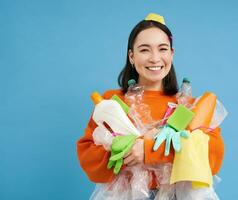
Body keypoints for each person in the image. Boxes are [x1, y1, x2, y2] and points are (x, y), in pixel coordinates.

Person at [77, 13, 225, 199]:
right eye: (145, 50)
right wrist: (125, 153)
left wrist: (148, 151)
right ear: (131, 56)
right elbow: (90, 161)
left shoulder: (189, 107)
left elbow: (211, 159)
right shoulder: (113, 102)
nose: (155, 58)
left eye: (162, 49)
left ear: (172, 53)